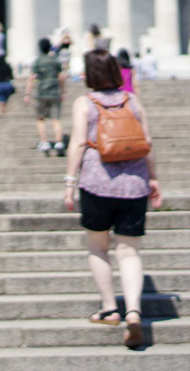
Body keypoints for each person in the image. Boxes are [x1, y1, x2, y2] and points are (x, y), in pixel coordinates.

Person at [63, 49, 161, 350]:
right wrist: (153, 178)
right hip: (134, 185)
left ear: (89, 74)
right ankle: (134, 311)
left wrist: (69, 182)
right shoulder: (132, 101)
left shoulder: (85, 103)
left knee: (98, 248)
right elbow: (148, 142)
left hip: (96, 183)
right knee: (129, 252)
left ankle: (109, 308)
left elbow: (79, 142)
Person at [25, 38, 65, 154]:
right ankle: (59, 142)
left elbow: (31, 78)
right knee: (56, 119)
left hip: (41, 93)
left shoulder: (37, 61)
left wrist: (27, 93)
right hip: (55, 92)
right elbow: (61, 77)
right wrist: (63, 92)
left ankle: (44, 142)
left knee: (40, 119)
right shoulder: (55, 61)